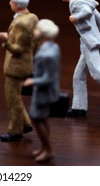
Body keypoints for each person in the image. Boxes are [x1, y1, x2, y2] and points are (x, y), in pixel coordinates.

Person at [0, 0, 38, 141]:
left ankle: (15, 131)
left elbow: (18, 49)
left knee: (12, 98)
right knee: (16, 96)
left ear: (16, 5)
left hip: (15, 66)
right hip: (26, 62)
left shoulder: (20, 24)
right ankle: (25, 124)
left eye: (11, 1)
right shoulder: (32, 17)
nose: (9, 3)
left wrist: (6, 40)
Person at [23, 19, 61, 164]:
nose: (35, 32)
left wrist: (32, 81)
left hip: (44, 92)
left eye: (37, 29)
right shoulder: (52, 47)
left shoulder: (48, 54)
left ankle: (49, 150)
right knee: (42, 119)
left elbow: (49, 78)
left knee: (36, 119)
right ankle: (44, 148)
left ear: (44, 33)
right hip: (43, 91)